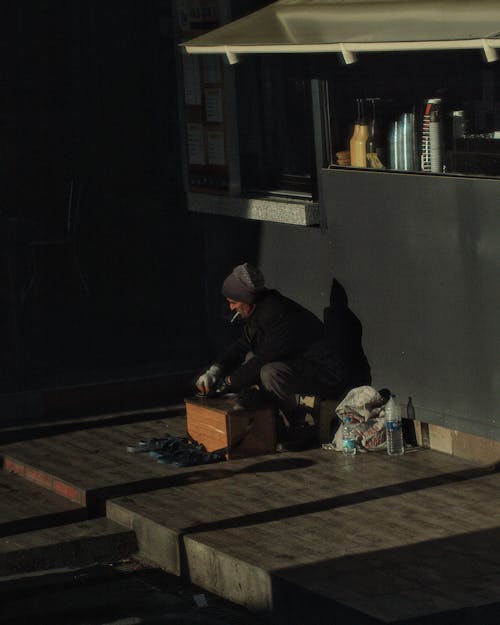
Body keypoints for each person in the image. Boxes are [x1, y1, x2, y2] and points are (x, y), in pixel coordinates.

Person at [196, 262, 371, 446]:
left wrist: (228, 383)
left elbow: (264, 358)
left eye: (234, 303)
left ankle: (297, 425)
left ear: (247, 300)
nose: (231, 308)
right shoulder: (258, 311)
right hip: (302, 366)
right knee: (252, 362)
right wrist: (215, 370)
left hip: (326, 373)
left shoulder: (276, 313)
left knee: (269, 372)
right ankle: (281, 420)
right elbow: (241, 346)